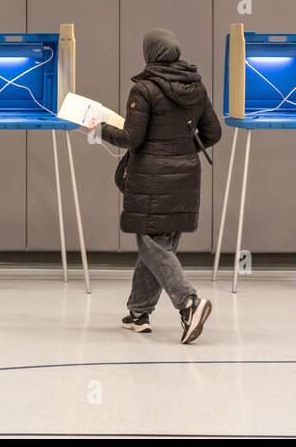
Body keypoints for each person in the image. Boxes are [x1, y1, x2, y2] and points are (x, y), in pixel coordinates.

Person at [95, 29, 222, 344]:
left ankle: (188, 302)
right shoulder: (196, 86)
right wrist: (180, 150)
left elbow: (131, 138)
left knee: (150, 244)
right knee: (160, 245)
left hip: (152, 178)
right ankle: (139, 313)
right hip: (186, 178)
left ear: (150, 53)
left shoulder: (145, 89)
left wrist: (99, 129)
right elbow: (213, 132)